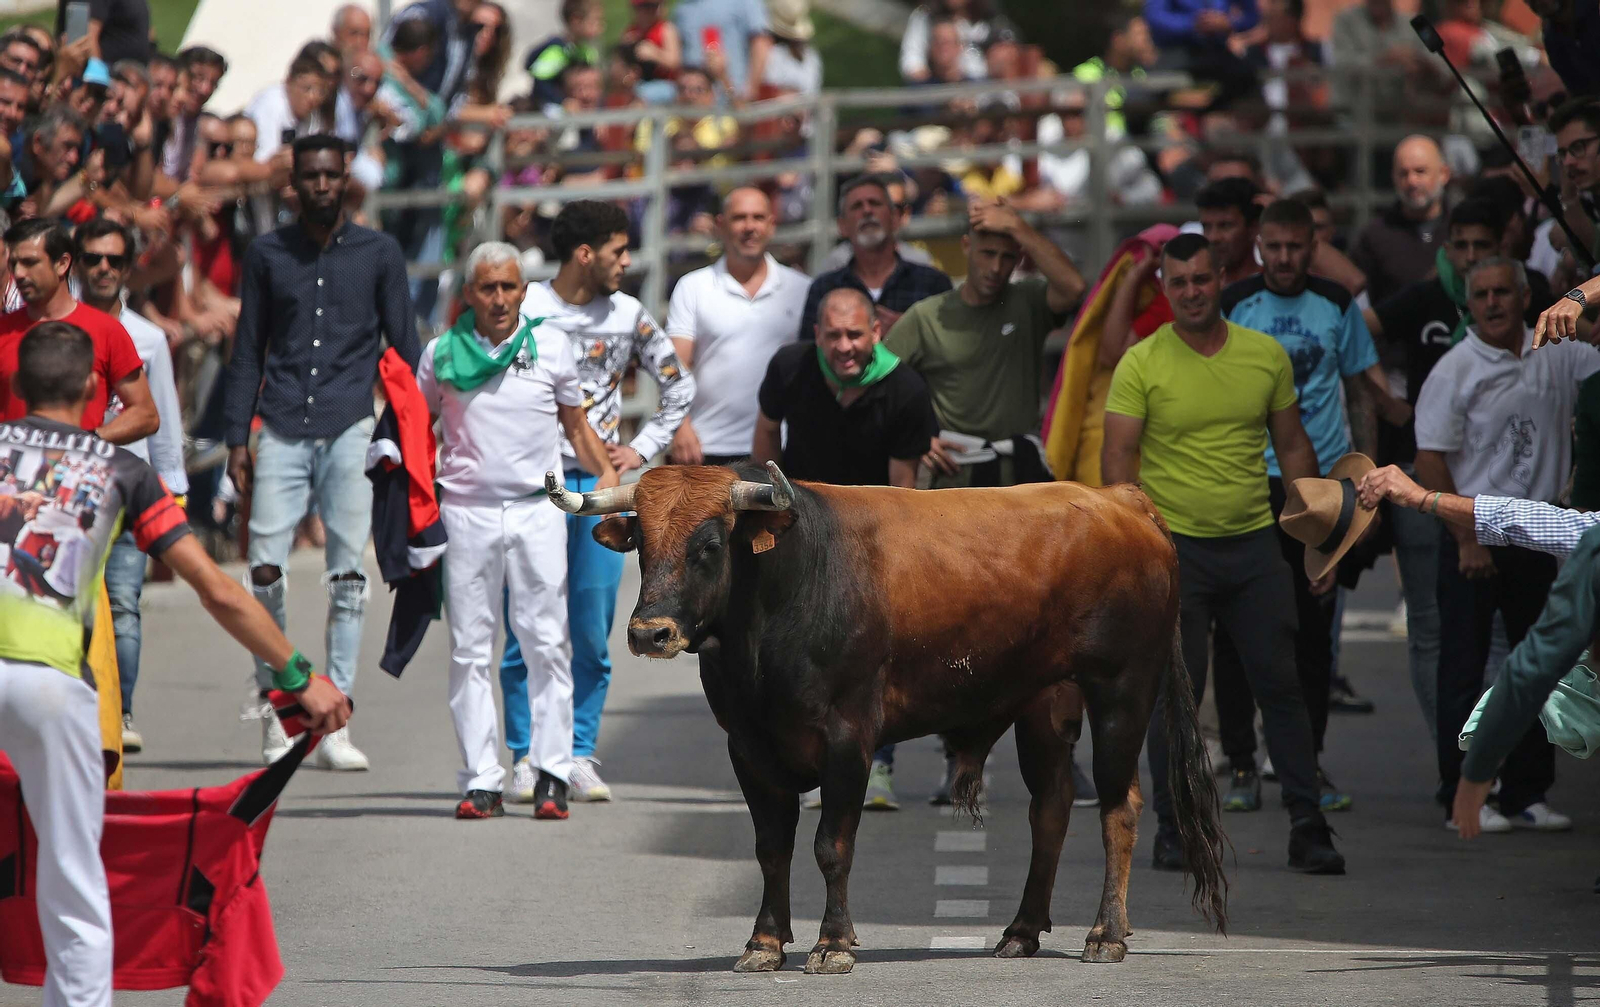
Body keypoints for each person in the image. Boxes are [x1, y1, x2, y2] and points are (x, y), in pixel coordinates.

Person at [0, 320, 351, 1007]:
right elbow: (216, 587)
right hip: (50, 681)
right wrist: (299, 672)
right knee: (73, 884)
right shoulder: (119, 469)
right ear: (93, 391)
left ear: (16, 384)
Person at [1101, 232, 1345, 875]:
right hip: (1173, 555)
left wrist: (1318, 532)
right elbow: (1117, 466)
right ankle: (1175, 827)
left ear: (1221, 277)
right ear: (1164, 286)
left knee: (1282, 685)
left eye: (1201, 280)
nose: (1190, 292)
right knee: (1173, 697)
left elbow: (1293, 448)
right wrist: (1127, 560)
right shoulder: (1141, 362)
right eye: (1177, 283)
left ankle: (1307, 822)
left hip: (1255, 547)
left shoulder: (1264, 356)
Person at [223, 135, 419, 771]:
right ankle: (281, 706)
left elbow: (405, 348)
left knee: (349, 578)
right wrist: (234, 439)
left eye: (332, 175)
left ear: (347, 181)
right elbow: (247, 348)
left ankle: (335, 719)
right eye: (311, 176)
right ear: (294, 185)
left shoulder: (380, 253)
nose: (322, 185)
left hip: (351, 427)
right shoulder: (267, 254)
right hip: (279, 424)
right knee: (264, 570)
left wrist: (412, 435)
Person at [1211, 199, 1411, 814]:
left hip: (1322, 490)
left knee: (1312, 633)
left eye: (1297, 246)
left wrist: (1365, 485)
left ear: (1312, 244)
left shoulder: (1334, 303)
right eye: (1274, 246)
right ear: (1258, 246)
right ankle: (1242, 762)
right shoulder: (1235, 303)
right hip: (1249, 484)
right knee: (1238, 632)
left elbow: (1364, 387)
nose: (1285, 258)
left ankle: (1308, 762)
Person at [418, 242, 618, 821]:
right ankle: (482, 778)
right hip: (466, 510)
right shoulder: (441, 353)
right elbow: (416, 424)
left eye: (509, 287)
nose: (500, 299)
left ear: (524, 292)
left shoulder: (551, 344)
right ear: (470, 294)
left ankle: (551, 772)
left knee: (546, 640)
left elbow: (577, 429)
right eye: (488, 288)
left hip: (538, 510)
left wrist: (605, 487)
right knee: (469, 647)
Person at [507, 200, 694, 804]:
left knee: (589, 628)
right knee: (527, 626)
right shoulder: (526, 307)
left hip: (601, 491)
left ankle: (578, 752)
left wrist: (638, 451)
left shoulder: (628, 315)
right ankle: (524, 755)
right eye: (618, 250)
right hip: (532, 485)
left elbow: (678, 384)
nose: (627, 262)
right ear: (585, 253)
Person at [1413, 256, 1595, 833]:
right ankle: (1461, 794)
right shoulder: (1454, 368)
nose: (1492, 303)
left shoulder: (1564, 354)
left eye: (1502, 292)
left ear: (1524, 297)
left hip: (1544, 538)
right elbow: (1429, 461)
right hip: (1474, 532)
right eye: (1481, 295)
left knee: (1544, 666)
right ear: (1468, 306)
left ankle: (1527, 794)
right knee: (1465, 671)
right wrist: (1466, 541)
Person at [754, 285, 938, 810]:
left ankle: (876, 767)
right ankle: (799, 759)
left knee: (872, 657)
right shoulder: (789, 367)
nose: (844, 346)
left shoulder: (905, 389)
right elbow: (766, 431)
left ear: (876, 333)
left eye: (855, 334)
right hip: (801, 524)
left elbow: (904, 490)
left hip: (870, 533)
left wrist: (895, 558)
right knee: (793, 650)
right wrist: (768, 501)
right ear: (815, 335)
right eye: (832, 335)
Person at [1364, 200, 1510, 740]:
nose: (1471, 258)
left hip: (1497, 481)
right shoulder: (1425, 297)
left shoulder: (1522, 300)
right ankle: (1454, 755)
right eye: (1461, 245)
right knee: (1429, 625)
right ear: (1447, 247)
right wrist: (1387, 402)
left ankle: (1493, 758)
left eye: (1483, 245)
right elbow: (1356, 334)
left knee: (1498, 629)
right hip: (1420, 470)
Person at [74, 215, 187, 756]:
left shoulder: (149, 340)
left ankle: (123, 711)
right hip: (70, 493)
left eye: (114, 260)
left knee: (123, 603)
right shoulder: (57, 332)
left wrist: (173, 490)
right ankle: (79, 707)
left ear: (127, 267)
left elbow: (163, 417)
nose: (102, 268)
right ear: (72, 262)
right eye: (92, 258)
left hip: (129, 488)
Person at [666, 187, 809, 467]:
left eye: (758, 218)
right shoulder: (692, 287)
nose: (749, 227)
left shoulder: (801, 288)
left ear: (771, 224)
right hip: (706, 447)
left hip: (782, 448)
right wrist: (679, 427)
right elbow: (674, 367)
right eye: (739, 218)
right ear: (720, 225)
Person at [0, 218, 156, 445]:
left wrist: (88, 442)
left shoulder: (106, 330)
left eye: (30, 262)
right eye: (14, 264)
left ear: (62, 264)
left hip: (75, 476)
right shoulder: (3, 330)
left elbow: (146, 414)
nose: (19, 273)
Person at [799, 175, 952, 341]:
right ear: (842, 226)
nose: (867, 211)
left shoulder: (932, 284)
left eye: (875, 203)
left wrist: (910, 330)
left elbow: (950, 349)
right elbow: (811, 356)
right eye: (857, 206)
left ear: (894, 218)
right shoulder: (824, 289)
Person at [1350, 135, 1451, 309]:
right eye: (1403, 173)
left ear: (1443, 174)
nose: (1411, 181)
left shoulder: (1463, 229)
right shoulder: (1375, 237)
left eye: (1420, 171)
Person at [1144, 0, 1260, 108]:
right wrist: (1192, 24)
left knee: (1248, 80)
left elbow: (1252, 17)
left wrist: (1229, 22)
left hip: (1218, 52)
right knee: (1154, 87)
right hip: (1177, 52)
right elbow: (1155, 16)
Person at [817, 173, 936, 272]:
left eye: (894, 208)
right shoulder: (838, 265)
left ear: (905, 214)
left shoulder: (920, 263)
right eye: (860, 206)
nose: (871, 214)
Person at [673, 0, 772, 100]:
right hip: (694, 96)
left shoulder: (744, 2)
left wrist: (751, 88)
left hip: (733, 95)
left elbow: (761, 43)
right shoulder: (683, 7)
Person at [527, 0, 604, 108]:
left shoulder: (586, 51)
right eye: (595, 21)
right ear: (576, 20)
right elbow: (540, 84)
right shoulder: (557, 50)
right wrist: (562, 101)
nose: (601, 27)